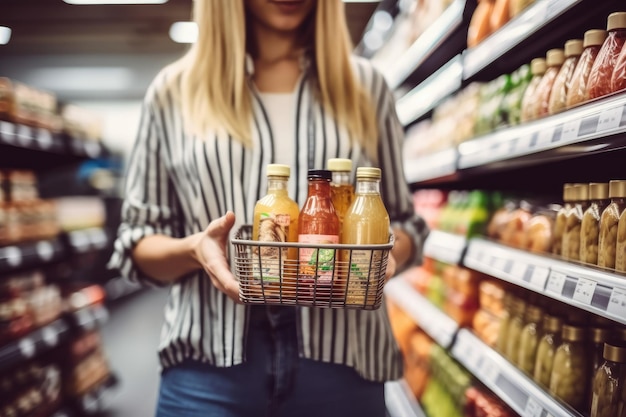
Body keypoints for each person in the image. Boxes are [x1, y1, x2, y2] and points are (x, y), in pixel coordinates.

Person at [108, 0, 429, 416]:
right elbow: (136, 243)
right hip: (211, 366)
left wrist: (386, 256)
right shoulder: (173, 92)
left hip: (342, 363)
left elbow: (404, 222)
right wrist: (195, 250)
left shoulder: (366, 87)